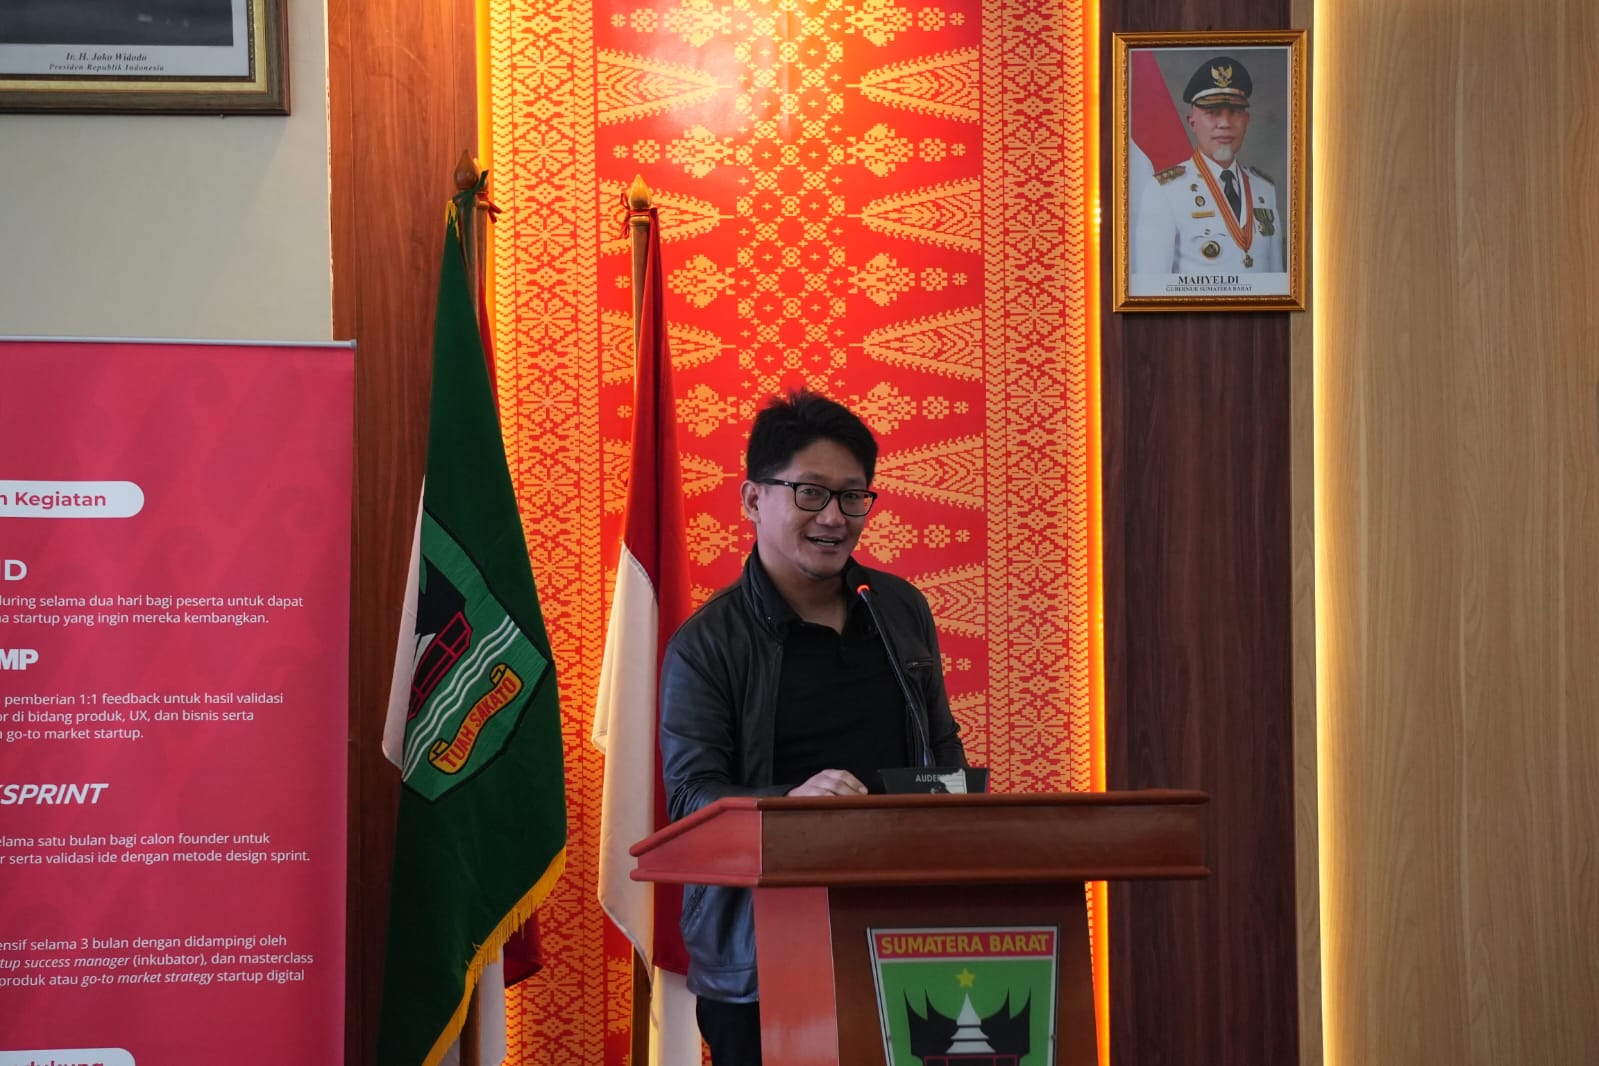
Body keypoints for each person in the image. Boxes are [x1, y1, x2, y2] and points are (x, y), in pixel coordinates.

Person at [658, 388, 967, 1065]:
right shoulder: (706, 645)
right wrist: (790, 805)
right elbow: (689, 801)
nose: (834, 517)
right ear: (752, 499)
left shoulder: (897, 608)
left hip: (904, 934)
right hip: (762, 955)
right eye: (810, 493)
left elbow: (941, 750)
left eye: (852, 497)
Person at [1131, 55, 1284, 276]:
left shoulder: (1264, 189)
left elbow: (1277, 278)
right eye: (1213, 112)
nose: (1225, 123)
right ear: (1192, 122)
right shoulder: (1165, 191)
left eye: (1235, 112)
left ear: (1246, 121)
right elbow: (1152, 284)